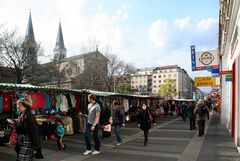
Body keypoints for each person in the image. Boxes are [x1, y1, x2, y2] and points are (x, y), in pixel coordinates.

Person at [15, 96, 43, 161]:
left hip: (28, 141)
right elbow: (22, 128)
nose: (18, 107)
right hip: (23, 141)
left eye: (20, 106)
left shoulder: (30, 116)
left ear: (26, 106)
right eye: (17, 106)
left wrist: (35, 147)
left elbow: (34, 131)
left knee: (22, 159)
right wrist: (17, 123)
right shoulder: (23, 115)